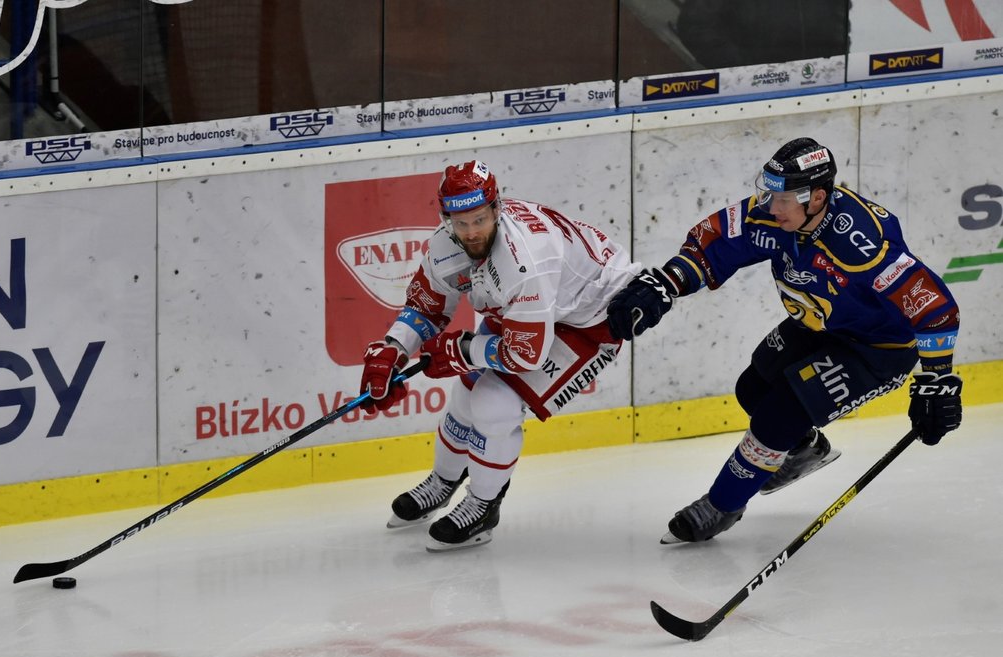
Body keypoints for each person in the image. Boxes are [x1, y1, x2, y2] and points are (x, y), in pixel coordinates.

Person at [607, 137, 963, 544]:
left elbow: (933, 305)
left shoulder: (860, 242)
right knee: (753, 388)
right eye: (770, 193)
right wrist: (666, 282)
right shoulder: (775, 215)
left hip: (877, 350)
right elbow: (717, 242)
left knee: (778, 415)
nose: (771, 207)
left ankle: (722, 506)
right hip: (823, 326)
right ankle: (806, 450)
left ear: (817, 198)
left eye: (783, 199)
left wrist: (939, 382)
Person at [359, 160, 642, 551]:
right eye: (461, 223)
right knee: (465, 396)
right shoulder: (445, 246)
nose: (472, 232)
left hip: (592, 316)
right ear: (445, 219)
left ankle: (483, 506)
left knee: (494, 405)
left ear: (497, 208)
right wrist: (391, 350)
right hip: (535, 307)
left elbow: (525, 354)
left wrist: (462, 350)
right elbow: (427, 307)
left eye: (480, 219)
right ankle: (444, 481)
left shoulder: (523, 259)